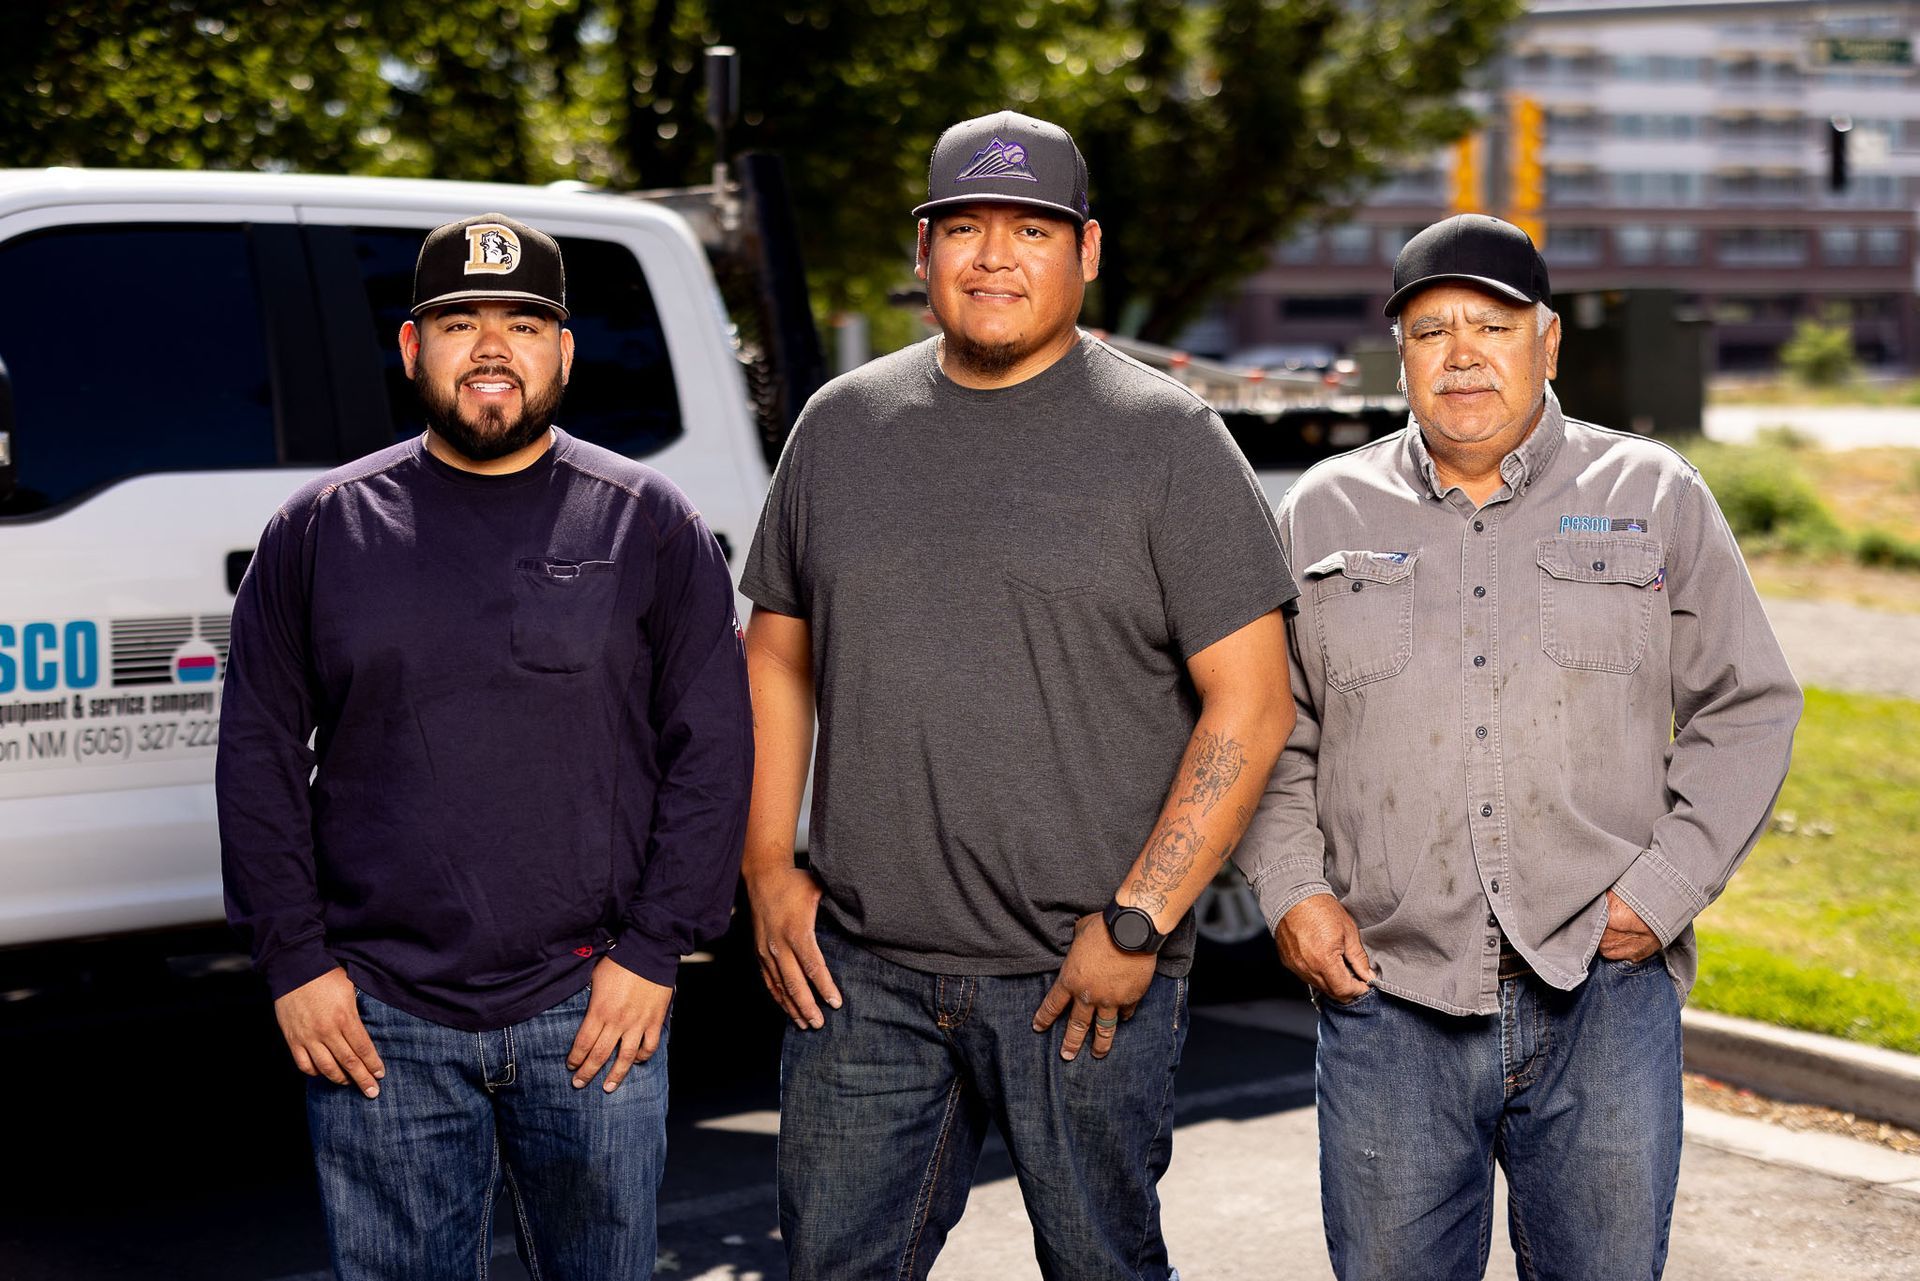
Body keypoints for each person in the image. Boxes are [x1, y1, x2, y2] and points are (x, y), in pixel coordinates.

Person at [738, 110, 1297, 1280]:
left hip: (1082, 980)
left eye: (1031, 229)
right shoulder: (839, 430)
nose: (995, 256)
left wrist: (1141, 919)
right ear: (925, 253)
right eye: (966, 228)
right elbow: (777, 654)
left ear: (1085, 253)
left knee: (1101, 1268)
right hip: (863, 978)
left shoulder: (1171, 443)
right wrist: (767, 869)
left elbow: (1250, 703)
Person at [1236, 213, 1802, 1280]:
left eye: (1491, 326)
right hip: (1388, 996)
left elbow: (1749, 704)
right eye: (1429, 330)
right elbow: (1274, 727)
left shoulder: (1655, 495)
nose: (1460, 354)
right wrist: (1291, 894)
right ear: (1397, 355)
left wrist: (1666, 887)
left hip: (1603, 994)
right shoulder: (1322, 510)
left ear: (1547, 341)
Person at [217, 213, 752, 1281]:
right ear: (414, 351)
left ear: (564, 350)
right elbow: (259, 756)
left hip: (593, 1005)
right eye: (459, 322)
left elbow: (713, 749)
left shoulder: (648, 523)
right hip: (378, 1017)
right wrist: (296, 963)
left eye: (524, 322)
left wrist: (655, 954)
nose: (492, 347)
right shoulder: (320, 530)